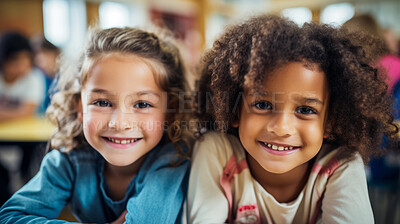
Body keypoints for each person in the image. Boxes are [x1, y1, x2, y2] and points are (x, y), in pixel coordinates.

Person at [187, 15, 397, 223]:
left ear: (331, 121)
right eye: (262, 105)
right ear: (234, 110)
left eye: (305, 110)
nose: (281, 128)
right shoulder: (217, 152)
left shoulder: (341, 164)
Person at [0, 27, 192, 223]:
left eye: (142, 104)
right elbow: (9, 216)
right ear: (80, 108)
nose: (119, 123)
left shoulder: (173, 160)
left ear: (170, 112)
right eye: (102, 102)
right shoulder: (70, 160)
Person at [0, 32, 45, 121]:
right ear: (4, 62)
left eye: (26, 61)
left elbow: (27, 112)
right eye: (16, 64)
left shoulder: (33, 78)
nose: (22, 68)